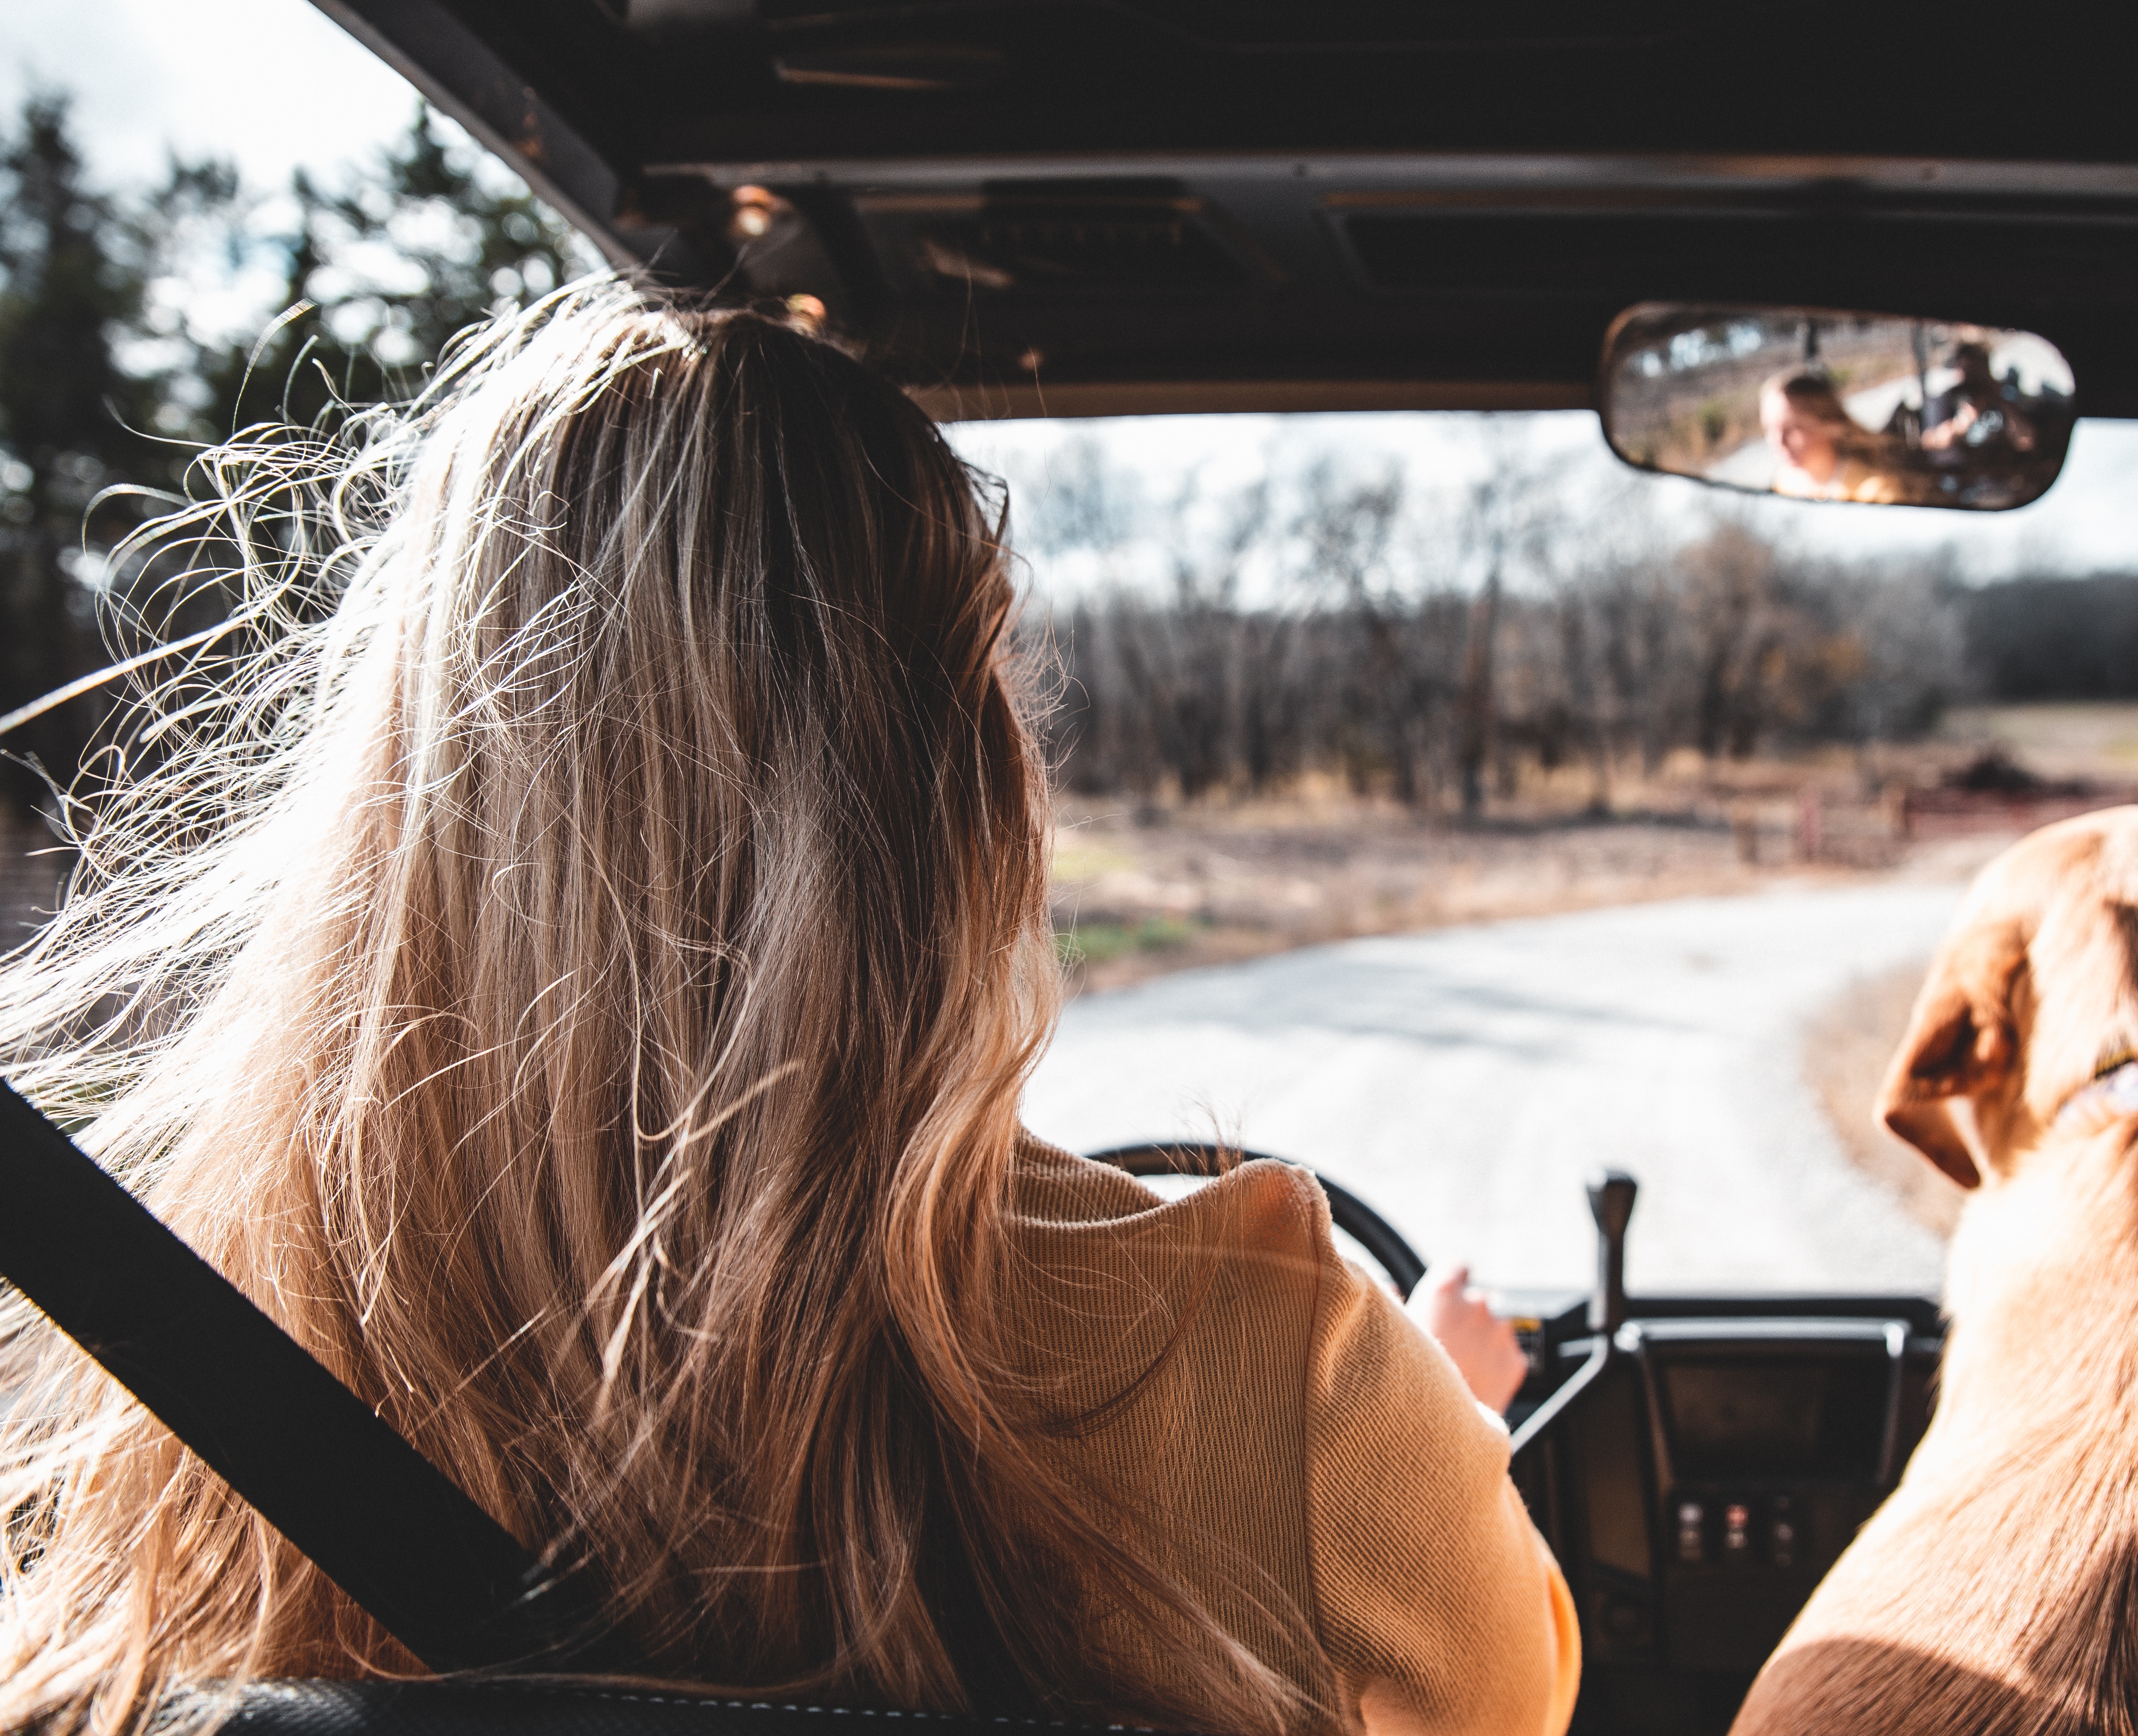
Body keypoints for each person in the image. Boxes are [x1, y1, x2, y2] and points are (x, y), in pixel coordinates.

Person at [0, 280, 1578, 1736]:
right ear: (972, 795)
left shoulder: (171, 1390)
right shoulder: (1286, 1374)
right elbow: (1515, 1700)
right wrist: (1451, 1422)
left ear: (412, 811)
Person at [1757, 368, 1914, 504]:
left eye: (1792, 429)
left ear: (1833, 426)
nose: (1778, 442)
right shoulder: (1785, 483)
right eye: (1769, 429)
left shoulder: (1877, 494)